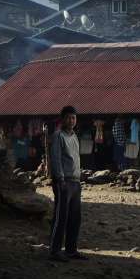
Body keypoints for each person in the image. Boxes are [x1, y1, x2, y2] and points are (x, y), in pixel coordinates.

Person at [49, 105, 85, 262]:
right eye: (69, 117)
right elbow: (56, 159)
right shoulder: (58, 136)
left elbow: (76, 158)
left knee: (75, 218)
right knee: (61, 217)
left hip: (76, 182)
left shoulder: (74, 136)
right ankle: (55, 251)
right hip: (63, 182)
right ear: (63, 119)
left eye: (74, 118)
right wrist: (60, 179)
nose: (71, 121)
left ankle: (71, 250)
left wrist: (79, 179)